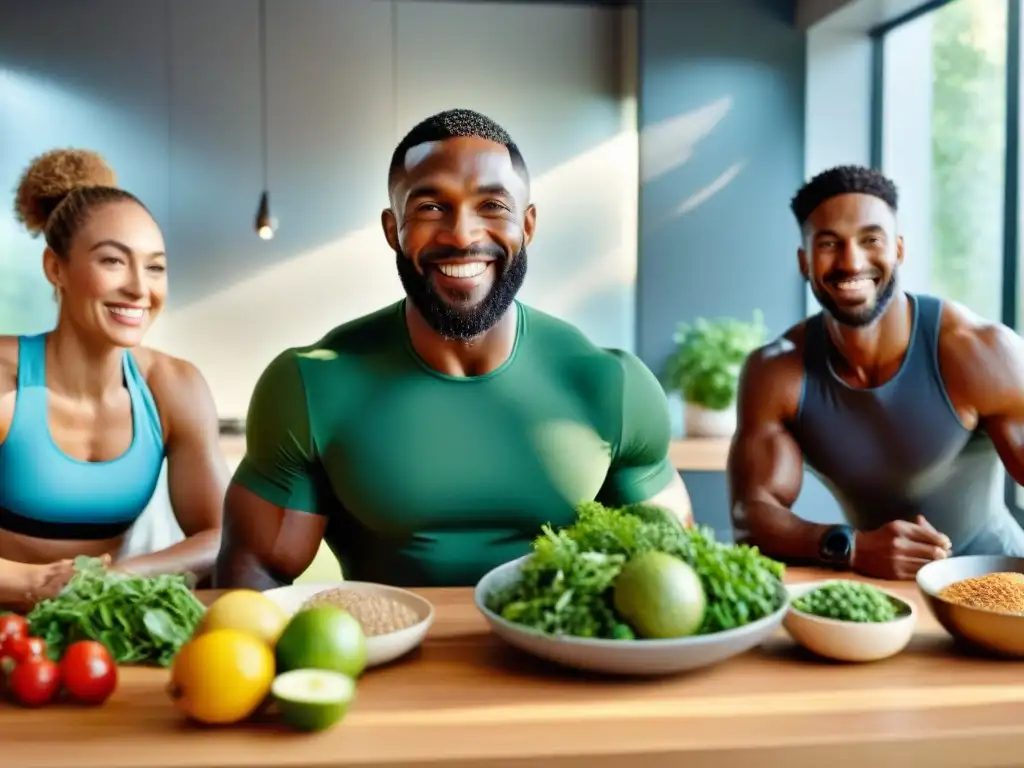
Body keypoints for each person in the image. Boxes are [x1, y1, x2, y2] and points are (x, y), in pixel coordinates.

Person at [215, 108, 692, 590]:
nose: (463, 235)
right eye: (430, 207)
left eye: (492, 206)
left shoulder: (614, 386)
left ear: (527, 226)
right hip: (381, 655)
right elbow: (257, 572)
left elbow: (670, 575)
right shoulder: (307, 385)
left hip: (557, 658)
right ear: (391, 229)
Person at [728, 164, 1024, 580]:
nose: (851, 262)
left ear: (898, 249)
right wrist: (852, 546)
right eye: (829, 243)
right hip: (878, 592)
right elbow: (751, 517)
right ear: (804, 262)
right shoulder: (776, 371)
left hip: (996, 583)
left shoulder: (979, 350)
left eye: (871, 240)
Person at [0, 149, 227, 610]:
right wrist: (35, 582)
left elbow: (222, 535)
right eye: (113, 261)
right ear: (55, 268)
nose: (140, 288)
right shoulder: (5, 379)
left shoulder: (173, 386)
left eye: (156, 266)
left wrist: (113, 576)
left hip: (98, 620)